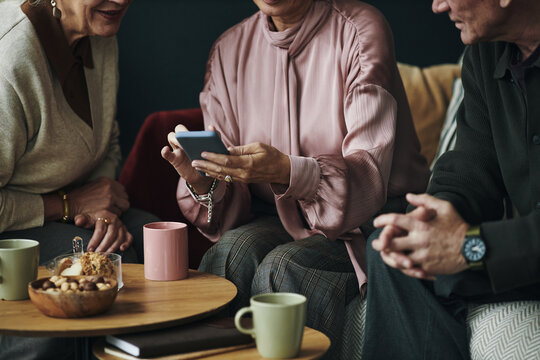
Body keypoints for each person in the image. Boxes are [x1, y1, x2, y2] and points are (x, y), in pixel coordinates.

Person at [162, 0, 429, 356]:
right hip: (277, 215)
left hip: (369, 218)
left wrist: (289, 171)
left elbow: (369, 172)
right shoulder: (228, 50)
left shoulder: (360, 29)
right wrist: (201, 179)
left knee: (284, 269)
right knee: (229, 254)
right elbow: (229, 187)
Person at [364, 0, 540, 358]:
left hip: (522, 251)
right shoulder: (484, 54)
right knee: (397, 250)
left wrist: (469, 246)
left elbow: (474, 246)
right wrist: (429, 222)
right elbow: (471, 165)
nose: (437, 5)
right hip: (521, 256)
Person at [0, 0, 159, 358]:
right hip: (12, 221)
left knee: (154, 241)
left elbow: (108, 140)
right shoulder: (11, 57)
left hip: (71, 206)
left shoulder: (99, 31)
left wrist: (102, 209)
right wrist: (68, 206)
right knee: (101, 257)